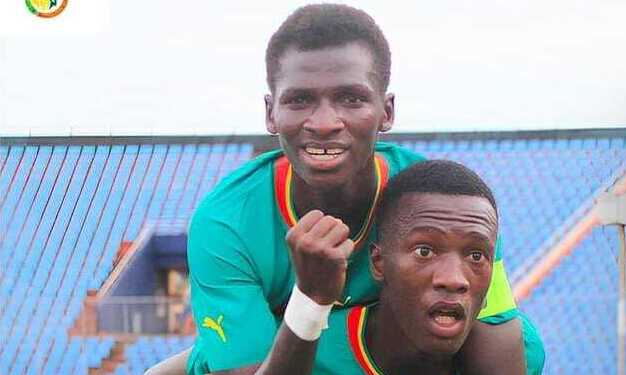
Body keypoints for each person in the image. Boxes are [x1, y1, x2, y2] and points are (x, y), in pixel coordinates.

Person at [145, 4, 544, 375]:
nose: (323, 122)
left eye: (351, 99)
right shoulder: (227, 223)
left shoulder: (441, 201)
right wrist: (311, 298)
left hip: (385, 346)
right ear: (271, 113)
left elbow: (497, 341)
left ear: (386, 111)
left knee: (524, 346)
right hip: (284, 352)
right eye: (300, 100)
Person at [225, 160, 521, 375]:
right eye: (424, 251)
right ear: (378, 263)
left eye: (476, 256)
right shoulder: (298, 345)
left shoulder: (515, 352)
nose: (454, 279)